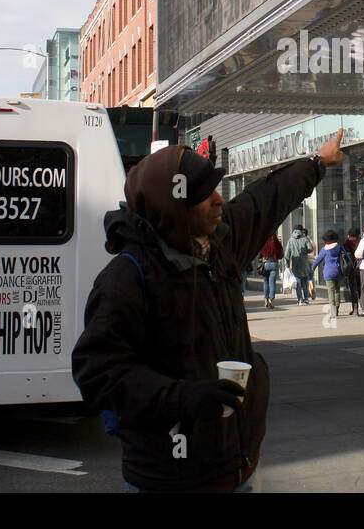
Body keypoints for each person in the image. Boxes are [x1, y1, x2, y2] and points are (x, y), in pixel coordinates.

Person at [71, 130, 345, 493]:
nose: (219, 200)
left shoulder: (220, 243)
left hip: (238, 468)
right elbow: (97, 372)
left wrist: (317, 162)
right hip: (170, 480)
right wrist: (181, 398)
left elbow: (266, 198)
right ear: (174, 204)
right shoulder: (127, 277)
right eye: (203, 194)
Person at [313, 230, 349, 317]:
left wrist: (313, 267)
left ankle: (332, 311)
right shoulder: (339, 247)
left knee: (330, 291)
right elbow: (347, 257)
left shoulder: (324, 249)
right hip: (338, 271)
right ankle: (337, 308)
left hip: (328, 272)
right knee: (337, 291)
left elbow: (318, 260)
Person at [284, 225, 315, 305]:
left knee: (297, 282)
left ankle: (300, 299)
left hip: (295, 263)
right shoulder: (305, 239)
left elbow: (287, 255)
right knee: (305, 281)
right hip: (304, 263)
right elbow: (310, 249)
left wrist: (287, 265)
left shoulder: (291, 240)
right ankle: (306, 298)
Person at [259, 233, 283, 309]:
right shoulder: (277, 243)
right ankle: (272, 301)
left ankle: (266, 300)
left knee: (265, 282)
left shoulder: (264, 242)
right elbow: (281, 254)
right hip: (274, 263)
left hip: (266, 263)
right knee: (272, 283)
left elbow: (260, 254)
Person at [342, 227, 362, 316]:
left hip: (351, 268)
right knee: (361, 288)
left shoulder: (347, 242)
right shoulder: (361, 241)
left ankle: (355, 309)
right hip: (361, 268)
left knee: (352, 289)